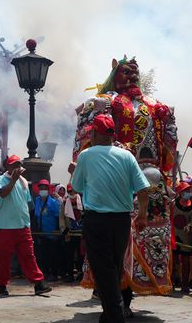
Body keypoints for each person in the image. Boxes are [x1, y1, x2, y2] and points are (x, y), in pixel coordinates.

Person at [71, 114, 149, 323]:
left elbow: (76, 187)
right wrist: (142, 215)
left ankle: (115, 315)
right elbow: (143, 189)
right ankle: (110, 313)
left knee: (103, 268)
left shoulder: (86, 155)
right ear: (113, 134)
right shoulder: (127, 156)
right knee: (113, 266)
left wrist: (77, 172)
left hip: (97, 220)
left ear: (95, 134)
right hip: (122, 221)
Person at [0, 155, 51, 297]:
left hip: (22, 225)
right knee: (2, 257)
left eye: (18, 165)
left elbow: (27, 203)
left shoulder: (24, 181)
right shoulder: (1, 179)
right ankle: (2, 285)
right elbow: (3, 194)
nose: (17, 168)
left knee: (29, 256)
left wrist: (27, 221)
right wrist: (13, 180)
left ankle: (38, 284)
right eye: (14, 165)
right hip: (5, 226)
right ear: (8, 167)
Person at [172, 181, 192, 293]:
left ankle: (185, 284)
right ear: (180, 193)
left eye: (189, 190)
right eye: (185, 191)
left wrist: (190, 226)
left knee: (186, 261)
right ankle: (171, 282)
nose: (188, 192)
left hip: (186, 237)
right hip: (173, 235)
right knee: (173, 260)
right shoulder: (173, 204)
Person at [34, 179, 61, 281]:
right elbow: (35, 216)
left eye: (45, 188)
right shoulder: (37, 201)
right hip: (41, 233)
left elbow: (57, 217)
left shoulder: (53, 202)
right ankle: (44, 272)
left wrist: (57, 232)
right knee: (42, 254)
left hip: (52, 233)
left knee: (53, 254)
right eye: (41, 188)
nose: (43, 190)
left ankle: (54, 273)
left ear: (48, 189)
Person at [59, 184, 84, 282]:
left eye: (73, 191)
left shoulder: (82, 202)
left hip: (81, 234)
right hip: (69, 233)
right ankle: (69, 274)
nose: (71, 194)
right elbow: (61, 217)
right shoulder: (65, 203)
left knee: (81, 254)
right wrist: (63, 229)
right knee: (69, 254)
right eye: (69, 192)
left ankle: (80, 273)